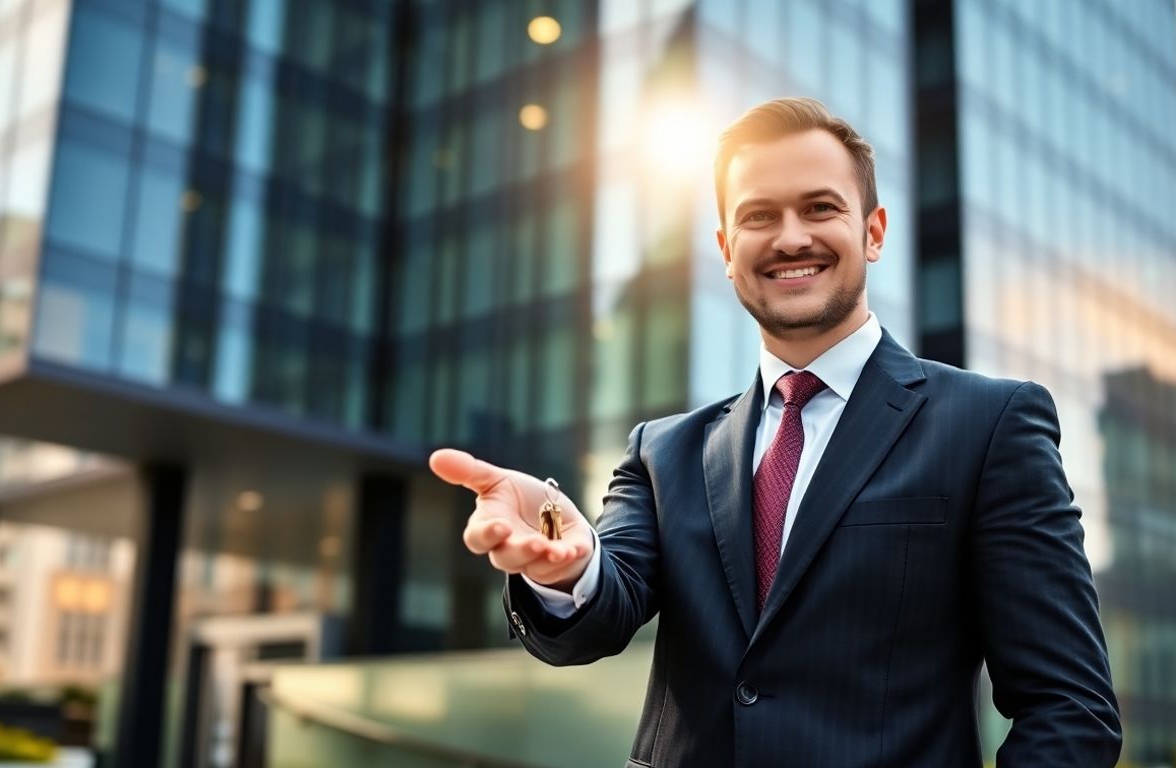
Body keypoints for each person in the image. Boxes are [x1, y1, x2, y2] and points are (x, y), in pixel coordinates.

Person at [429, 97, 1120, 767]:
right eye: (759, 216)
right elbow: (599, 616)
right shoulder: (662, 453)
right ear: (728, 249)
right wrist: (566, 563)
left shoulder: (989, 427)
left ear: (874, 231)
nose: (791, 237)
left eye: (820, 207)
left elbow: (1069, 705)